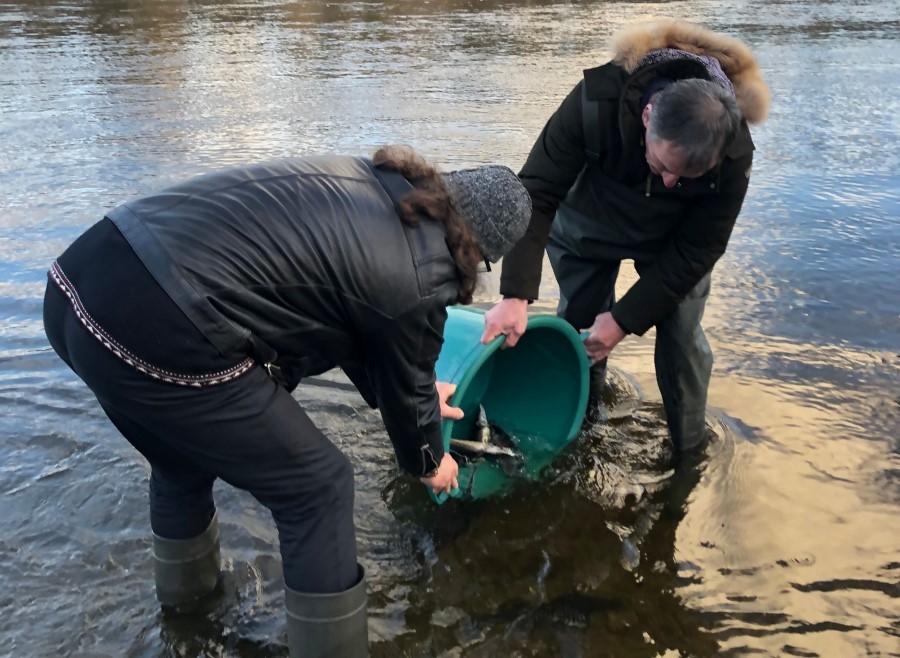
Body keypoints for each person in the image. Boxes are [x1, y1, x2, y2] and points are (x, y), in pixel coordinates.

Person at [42, 145, 531, 658]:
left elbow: (357, 315)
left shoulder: (373, 186)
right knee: (318, 488)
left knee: (180, 461)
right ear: (477, 249)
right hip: (158, 324)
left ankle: (187, 624)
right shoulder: (422, 270)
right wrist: (431, 461)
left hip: (80, 284)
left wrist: (421, 392)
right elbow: (399, 346)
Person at [483, 20, 771, 452]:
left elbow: (701, 249)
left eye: (688, 175)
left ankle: (687, 450)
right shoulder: (595, 100)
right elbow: (537, 194)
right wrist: (515, 295)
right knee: (580, 325)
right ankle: (575, 428)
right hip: (589, 221)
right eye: (663, 165)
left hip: (675, 241)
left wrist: (624, 321)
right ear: (647, 114)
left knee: (681, 339)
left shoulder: (733, 152)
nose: (672, 181)